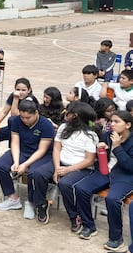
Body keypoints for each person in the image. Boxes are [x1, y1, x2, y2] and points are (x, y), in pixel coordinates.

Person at [73, 110, 133, 251]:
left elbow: (130, 167)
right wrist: (102, 150)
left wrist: (117, 147)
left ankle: (116, 238)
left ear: (128, 125)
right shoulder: (107, 136)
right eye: (111, 121)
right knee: (81, 188)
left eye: (116, 121)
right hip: (105, 171)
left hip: (125, 176)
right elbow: (100, 160)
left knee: (112, 199)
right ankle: (89, 226)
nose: (112, 124)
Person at [0, 99, 55, 223]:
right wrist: (16, 162)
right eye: (22, 117)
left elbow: (42, 150)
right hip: (22, 151)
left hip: (41, 155)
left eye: (28, 117)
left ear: (36, 113)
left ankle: (32, 202)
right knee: (0, 165)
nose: (25, 120)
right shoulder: (16, 121)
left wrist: (25, 164)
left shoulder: (45, 125)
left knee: (34, 173)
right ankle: (13, 198)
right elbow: (15, 142)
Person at [50, 102, 99, 238]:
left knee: (65, 184)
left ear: (75, 116)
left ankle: (75, 217)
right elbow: (57, 148)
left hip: (81, 168)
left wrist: (67, 170)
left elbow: (89, 160)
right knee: (43, 174)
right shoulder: (64, 127)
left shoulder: (90, 134)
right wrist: (57, 168)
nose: (65, 114)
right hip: (61, 164)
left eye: (68, 112)